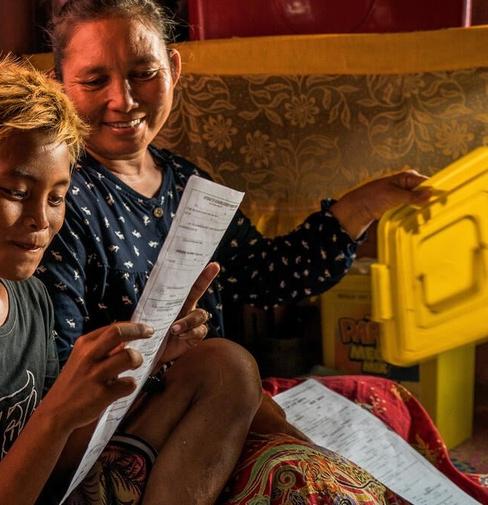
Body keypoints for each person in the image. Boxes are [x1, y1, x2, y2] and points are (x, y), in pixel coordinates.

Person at [0, 52, 267, 505]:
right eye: (16, 193)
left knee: (227, 367)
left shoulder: (27, 294)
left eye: (56, 197)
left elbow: (59, 459)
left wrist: (147, 356)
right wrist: (58, 411)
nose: (39, 221)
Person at [35, 0, 431, 367]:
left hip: (211, 403)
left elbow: (267, 276)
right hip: (124, 427)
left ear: (173, 69)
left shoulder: (187, 184)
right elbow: (60, 370)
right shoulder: (59, 201)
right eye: (93, 81)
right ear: (58, 87)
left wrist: (362, 207)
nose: (123, 99)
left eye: (143, 74)